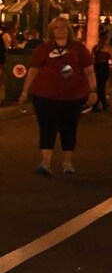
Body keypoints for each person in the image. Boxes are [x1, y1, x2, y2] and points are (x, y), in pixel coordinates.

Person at [18, 17, 97, 176]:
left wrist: (93, 90)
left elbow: (89, 71)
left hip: (72, 97)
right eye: (56, 28)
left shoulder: (78, 49)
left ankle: (67, 162)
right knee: (47, 127)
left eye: (63, 27)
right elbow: (33, 71)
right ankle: (45, 162)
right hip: (45, 95)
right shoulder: (43, 49)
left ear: (69, 29)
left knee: (69, 128)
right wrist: (25, 92)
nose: (60, 30)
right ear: (51, 31)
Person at [90, 27, 112, 111]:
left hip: (97, 66)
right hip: (104, 66)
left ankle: (97, 103)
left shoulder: (95, 47)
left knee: (98, 85)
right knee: (102, 85)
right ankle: (103, 103)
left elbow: (92, 58)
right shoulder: (108, 47)